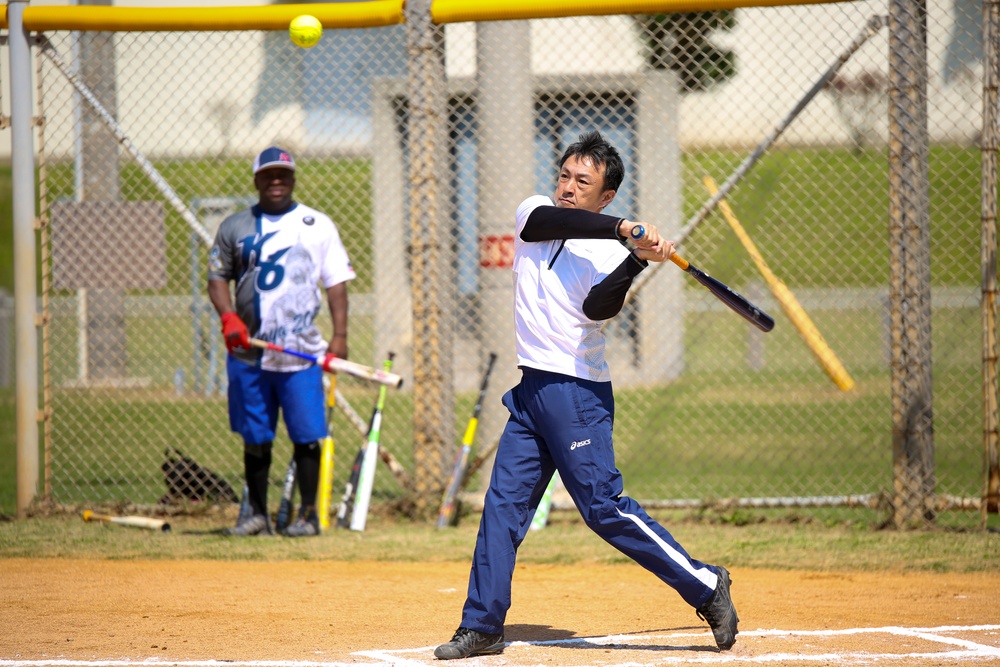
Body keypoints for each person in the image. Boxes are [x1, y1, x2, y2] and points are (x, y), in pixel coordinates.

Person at [434, 131, 739, 659]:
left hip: (576, 395)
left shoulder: (604, 254)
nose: (569, 189)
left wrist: (637, 258)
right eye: (565, 176)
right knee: (502, 508)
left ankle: (706, 586)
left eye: (584, 183)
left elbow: (599, 308)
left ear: (605, 196)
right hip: (532, 391)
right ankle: (481, 624)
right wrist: (624, 229)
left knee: (602, 508)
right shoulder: (535, 213)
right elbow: (546, 221)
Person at [207, 146, 355, 537]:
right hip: (250, 353)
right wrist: (228, 318)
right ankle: (256, 513)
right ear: (256, 180)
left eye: (283, 175)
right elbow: (217, 277)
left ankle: (307, 515)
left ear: (293, 180)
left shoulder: (317, 225)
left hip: (300, 353)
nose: (277, 182)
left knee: (307, 433)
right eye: (269, 175)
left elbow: (336, 283)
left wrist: (340, 335)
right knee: (255, 435)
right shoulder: (235, 227)